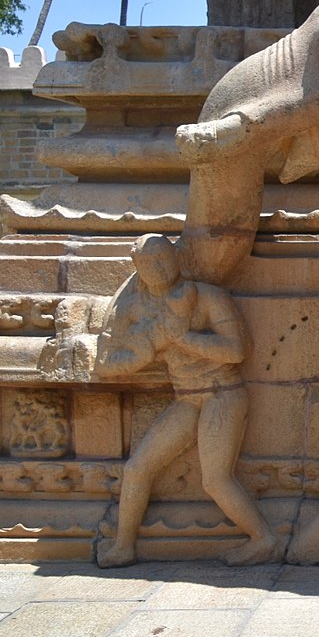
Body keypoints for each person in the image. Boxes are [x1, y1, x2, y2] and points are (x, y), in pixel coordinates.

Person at [93, 234, 283, 568]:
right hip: (187, 398)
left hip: (221, 393)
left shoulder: (207, 297)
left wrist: (182, 337)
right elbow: (106, 364)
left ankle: (263, 539)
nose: (158, 268)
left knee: (216, 479)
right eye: (148, 263)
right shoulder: (136, 305)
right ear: (137, 266)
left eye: (164, 258)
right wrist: (144, 351)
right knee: (137, 469)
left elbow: (237, 351)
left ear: (177, 257)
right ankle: (123, 546)